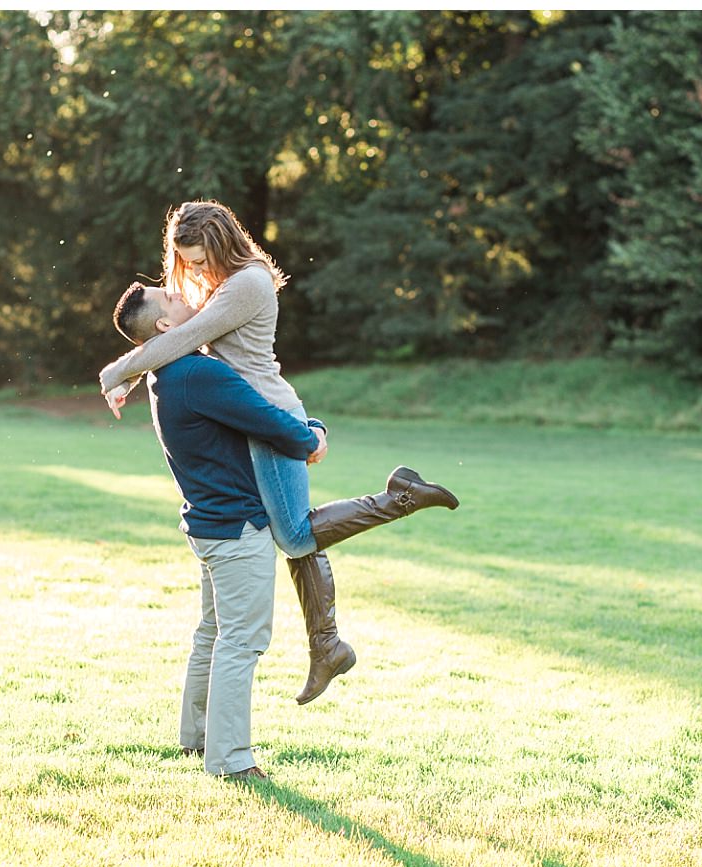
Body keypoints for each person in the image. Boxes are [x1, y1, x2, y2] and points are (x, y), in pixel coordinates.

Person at [99, 200, 459, 706]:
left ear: (220, 241)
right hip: (254, 418)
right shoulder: (226, 283)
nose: (193, 273)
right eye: (188, 264)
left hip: (269, 419)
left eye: (199, 260)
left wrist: (118, 372)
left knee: (294, 534)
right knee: (296, 533)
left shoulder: (247, 283)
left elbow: (184, 338)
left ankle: (400, 498)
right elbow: (174, 338)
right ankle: (327, 647)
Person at [111, 281, 326, 779]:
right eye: (172, 297)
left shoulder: (163, 373)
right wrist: (311, 435)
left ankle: (196, 737)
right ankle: (229, 760)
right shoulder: (198, 373)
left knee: (213, 633)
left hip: (209, 524)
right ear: (166, 326)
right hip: (236, 526)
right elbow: (265, 419)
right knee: (243, 640)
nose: (183, 295)